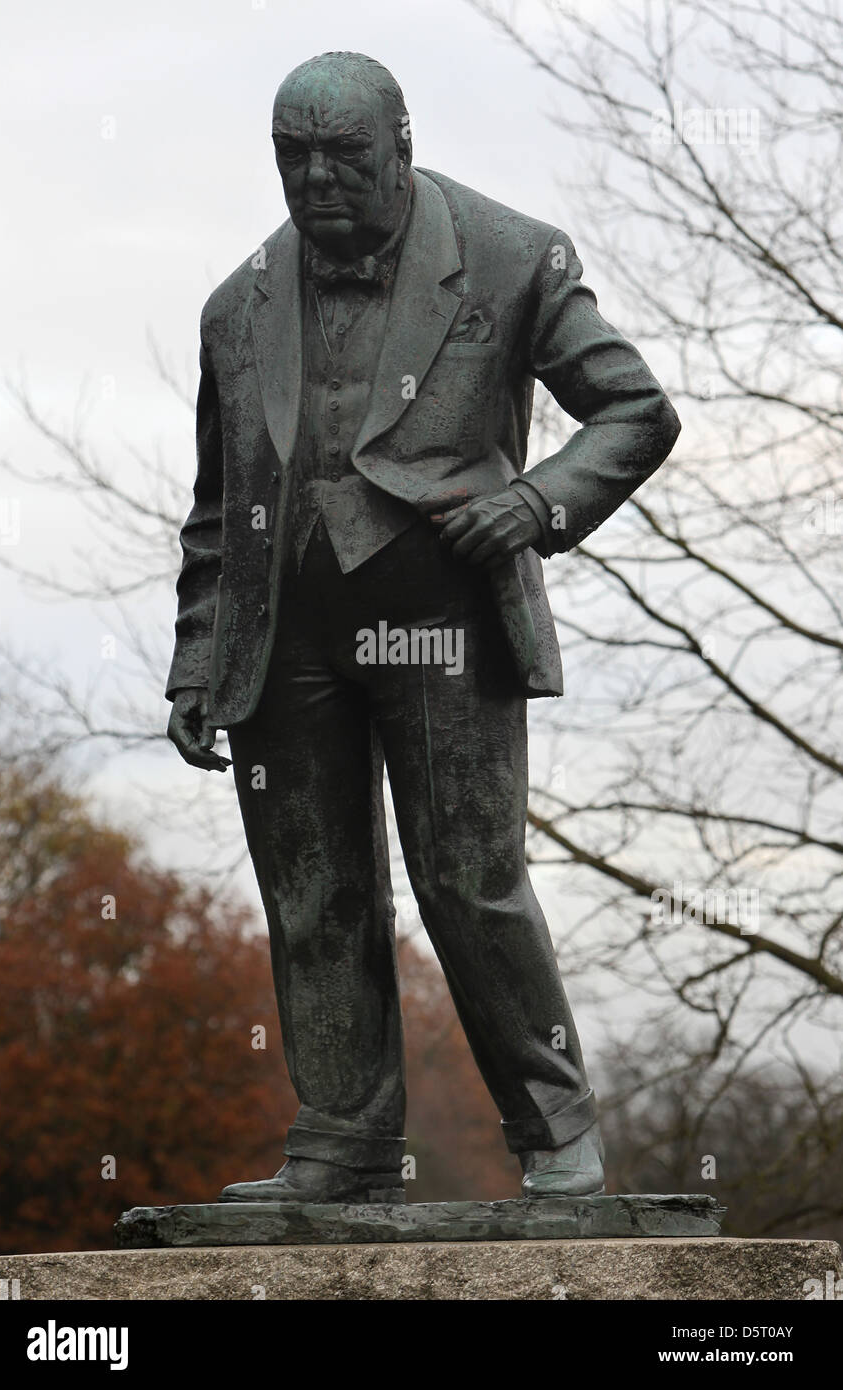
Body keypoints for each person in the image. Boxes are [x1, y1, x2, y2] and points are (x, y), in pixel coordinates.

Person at [166, 51, 680, 1204]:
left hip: (441, 620)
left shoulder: (509, 257)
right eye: (291, 156)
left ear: (402, 143)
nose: (314, 179)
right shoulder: (234, 305)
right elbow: (216, 507)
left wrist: (537, 501)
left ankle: (556, 1139)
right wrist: (198, 659)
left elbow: (634, 410)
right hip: (285, 636)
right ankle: (342, 1139)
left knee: (467, 879)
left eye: (342, 156)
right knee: (315, 893)